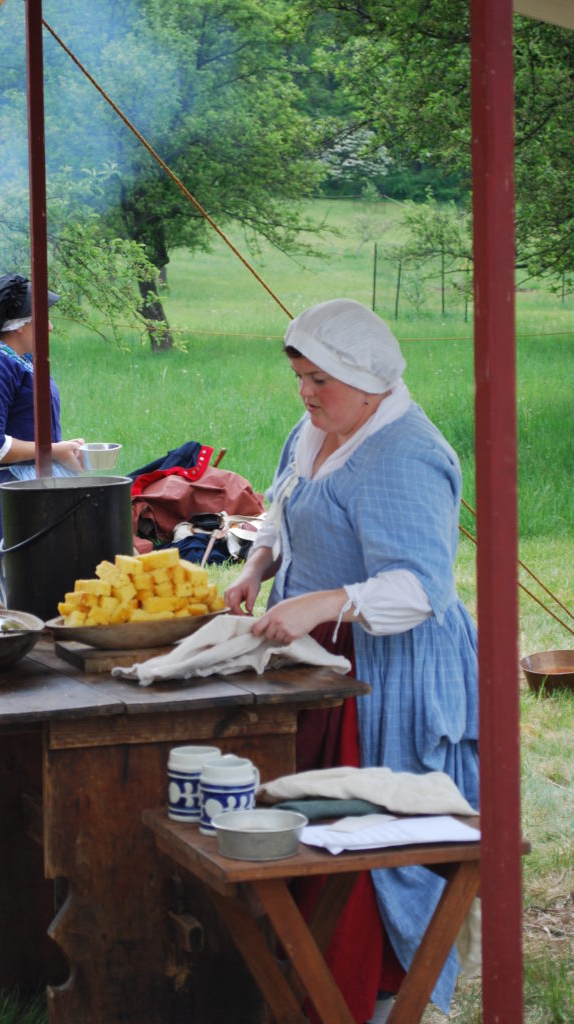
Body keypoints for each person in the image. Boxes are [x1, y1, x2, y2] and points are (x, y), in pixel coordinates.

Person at [225, 298, 479, 1024]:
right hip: (319, 656)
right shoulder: (315, 430)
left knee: (366, 823)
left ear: (369, 384)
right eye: (300, 377)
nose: (306, 393)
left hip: (388, 664)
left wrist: (317, 604)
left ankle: (368, 987)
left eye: (320, 381)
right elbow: (281, 506)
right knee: (309, 813)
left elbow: (416, 588)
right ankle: (299, 976)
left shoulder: (406, 455)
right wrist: (257, 569)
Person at [0, 272, 85, 603]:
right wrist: (56, 450)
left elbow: (28, 426)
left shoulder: (21, 361)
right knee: (1, 613)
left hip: (35, 491)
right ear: (19, 324)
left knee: (45, 598)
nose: (51, 328)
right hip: (6, 501)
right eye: (44, 319)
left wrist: (59, 451)